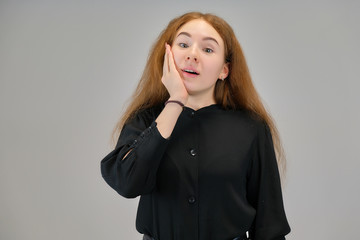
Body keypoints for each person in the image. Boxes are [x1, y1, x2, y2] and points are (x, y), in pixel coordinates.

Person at [100, 12, 291, 240]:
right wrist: (175, 102)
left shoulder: (251, 128)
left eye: (207, 49)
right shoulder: (146, 119)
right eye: (183, 44)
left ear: (224, 70)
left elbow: (270, 226)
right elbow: (126, 182)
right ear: (168, 54)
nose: (192, 55)